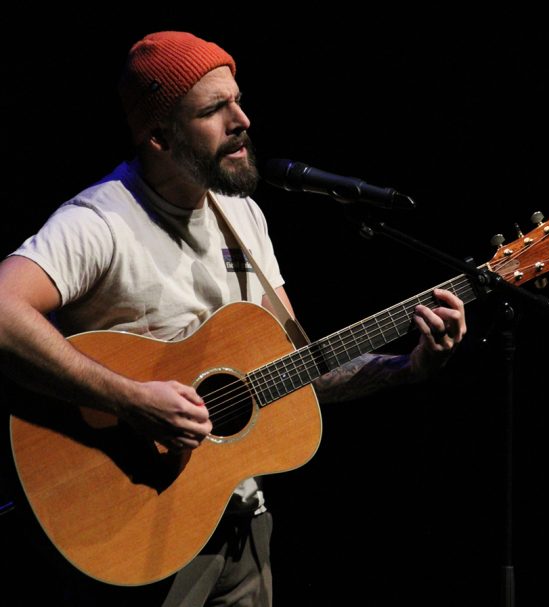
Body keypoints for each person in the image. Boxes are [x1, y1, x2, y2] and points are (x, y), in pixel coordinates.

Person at [0, 31, 466, 606]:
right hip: (134, 529)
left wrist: (408, 366)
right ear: (160, 135)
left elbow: (302, 372)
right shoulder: (99, 223)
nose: (241, 119)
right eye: (214, 109)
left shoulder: (244, 216)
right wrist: (130, 400)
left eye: (238, 100)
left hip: (243, 526)